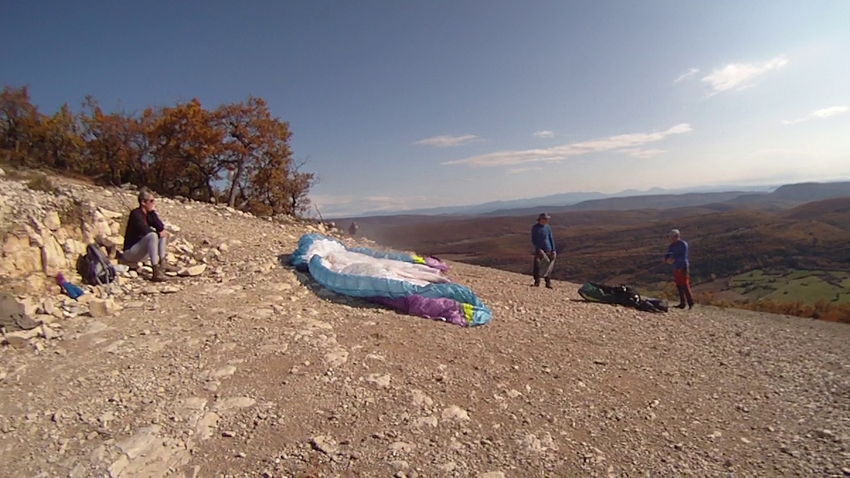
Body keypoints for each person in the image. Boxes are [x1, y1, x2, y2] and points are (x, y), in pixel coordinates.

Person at [120, 187, 174, 282]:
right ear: (143, 202)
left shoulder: (148, 215)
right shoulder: (136, 214)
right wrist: (158, 233)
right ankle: (155, 270)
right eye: (151, 201)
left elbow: (160, 227)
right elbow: (145, 231)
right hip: (131, 252)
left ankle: (162, 263)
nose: (153, 204)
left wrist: (153, 212)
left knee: (162, 234)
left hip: (141, 251)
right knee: (153, 235)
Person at [664, 229, 694, 309]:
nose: (672, 239)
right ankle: (682, 303)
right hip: (676, 267)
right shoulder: (672, 246)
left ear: (678, 236)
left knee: (685, 285)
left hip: (683, 266)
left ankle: (691, 303)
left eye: (674, 237)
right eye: (672, 237)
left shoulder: (683, 244)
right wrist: (665, 258)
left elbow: (683, 257)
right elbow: (668, 254)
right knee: (679, 285)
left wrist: (673, 260)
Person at [531, 213, 557, 288]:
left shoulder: (548, 227)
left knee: (548, 266)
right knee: (537, 265)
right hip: (540, 249)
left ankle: (548, 282)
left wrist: (553, 249)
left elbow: (551, 238)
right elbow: (534, 240)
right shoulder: (535, 228)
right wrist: (539, 249)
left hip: (548, 248)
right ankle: (537, 282)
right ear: (541, 219)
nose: (547, 220)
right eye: (546, 219)